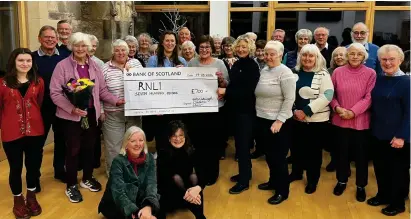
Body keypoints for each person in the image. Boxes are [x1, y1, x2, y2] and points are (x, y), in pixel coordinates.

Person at [50, 32, 125, 203]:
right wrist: (72, 108)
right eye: (77, 45)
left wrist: (116, 101)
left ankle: (87, 178)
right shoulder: (62, 66)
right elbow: (55, 93)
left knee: (89, 148)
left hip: (91, 113)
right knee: (73, 150)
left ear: (89, 47)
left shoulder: (95, 66)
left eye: (84, 45)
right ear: (71, 46)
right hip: (70, 117)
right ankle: (71, 185)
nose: (80, 49)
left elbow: (102, 91)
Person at [1, 48, 44, 219]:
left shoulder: (38, 81)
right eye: (21, 60)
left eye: (28, 60)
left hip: (35, 131)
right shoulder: (2, 83)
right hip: (11, 133)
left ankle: (31, 197)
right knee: (16, 168)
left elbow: (38, 103)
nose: (25, 64)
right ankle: (18, 199)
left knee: (33, 167)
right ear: (13, 62)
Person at [330, 43, 376, 202]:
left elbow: (369, 97)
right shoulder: (337, 72)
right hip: (340, 120)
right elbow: (331, 94)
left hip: (361, 123)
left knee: (361, 157)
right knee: (341, 154)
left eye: (359, 54)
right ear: (347, 55)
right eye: (352, 53)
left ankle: (361, 185)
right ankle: (341, 181)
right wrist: (337, 108)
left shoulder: (371, 73)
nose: (355, 56)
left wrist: (353, 112)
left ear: (364, 57)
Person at [368, 45, 410, 216]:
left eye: (392, 59)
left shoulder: (407, 83)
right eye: (384, 59)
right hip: (378, 133)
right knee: (380, 167)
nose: (387, 62)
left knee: (397, 171)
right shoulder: (377, 79)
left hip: (398, 136)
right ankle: (383, 195)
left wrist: (402, 136)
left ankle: (398, 203)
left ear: (400, 60)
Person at [289, 44, 334, 195]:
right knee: (296, 149)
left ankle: (312, 180)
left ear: (317, 58)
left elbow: (327, 95)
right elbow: (288, 94)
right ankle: (296, 173)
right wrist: (295, 110)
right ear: (300, 57)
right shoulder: (293, 72)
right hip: (295, 119)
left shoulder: (323, 74)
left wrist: (306, 111)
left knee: (313, 153)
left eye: (311, 56)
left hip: (317, 121)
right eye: (304, 55)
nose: (307, 58)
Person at [217, 35, 259, 194]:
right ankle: (244, 174)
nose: (241, 49)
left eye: (244, 47)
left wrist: (226, 91)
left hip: (246, 112)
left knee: (242, 146)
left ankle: (244, 182)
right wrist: (224, 84)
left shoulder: (252, 66)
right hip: (236, 111)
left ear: (250, 48)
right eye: (239, 46)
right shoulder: (238, 63)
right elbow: (235, 85)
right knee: (240, 145)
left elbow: (248, 91)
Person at [255, 41, 296, 204]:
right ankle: (273, 182)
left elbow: (289, 99)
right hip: (263, 119)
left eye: (272, 54)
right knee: (269, 156)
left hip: (279, 122)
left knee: (279, 158)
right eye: (266, 54)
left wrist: (279, 121)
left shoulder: (285, 72)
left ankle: (282, 190)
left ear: (280, 54)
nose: (268, 57)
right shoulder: (264, 70)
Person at [32, 25, 70, 192]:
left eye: (53, 37)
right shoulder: (31, 58)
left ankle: (59, 171)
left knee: (62, 141)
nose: (50, 40)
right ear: (39, 39)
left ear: (57, 39)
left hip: (61, 106)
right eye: (46, 37)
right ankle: (34, 178)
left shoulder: (64, 57)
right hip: (40, 108)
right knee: (37, 144)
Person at [188, 35, 229, 186]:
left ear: (212, 48)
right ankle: (199, 173)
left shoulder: (219, 63)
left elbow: (226, 85)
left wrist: (221, 81)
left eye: (207, 47)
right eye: (201, 47)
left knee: (212, 143)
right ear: (197, 49)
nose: (204, 50)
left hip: (215, 110)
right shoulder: (191, 63)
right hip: (196, 110)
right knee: (198, 143)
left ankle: (212, 174)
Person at [101, 39, 143, 176]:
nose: (120, 52)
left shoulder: (135, 63)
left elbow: (145, 84)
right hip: (113, 114)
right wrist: (102, 110)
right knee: (114, 146)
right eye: (117, 50)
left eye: (123, 49)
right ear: (112, 52)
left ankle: (134, 172)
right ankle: (115, 175)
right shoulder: (105, 68)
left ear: (128, 51)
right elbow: (100, 91)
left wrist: (132, 74)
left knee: (135, 144)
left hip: (134, 113)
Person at [98, 126, 159, 219]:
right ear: (126, 144)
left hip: (139, 199)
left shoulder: (150, 158)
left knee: (159, 211)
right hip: (118, 202)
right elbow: (118, 192)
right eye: (133, 141)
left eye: (141, 140)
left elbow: (151, 184)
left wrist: (148, 206)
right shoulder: (118, 161)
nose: (137, 144)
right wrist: (135, 212)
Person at [147, 31, 187, 153]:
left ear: (176, 43)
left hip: (177, 106)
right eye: (167, 40)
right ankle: (162, 168)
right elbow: (149, 82)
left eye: (172, 41)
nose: (170, 43)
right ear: (162, 43)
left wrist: (184, 72)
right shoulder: (153, 60)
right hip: (160, 107)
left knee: (176, 136)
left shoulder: (182, 61)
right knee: (162, 138)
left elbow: (186, 85)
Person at [157, 121, 206, 219]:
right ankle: (192, 200)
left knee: (194, 177)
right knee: (176, 177)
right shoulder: (163, 152)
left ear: (185, 136)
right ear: (169, 137)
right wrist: (188, 194)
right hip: (168, 192)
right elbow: (164, 180)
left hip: (186, 190)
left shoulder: (191, 149)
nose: (178, 139)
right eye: (174, 136)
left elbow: (203, 172)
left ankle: (200, 215)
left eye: (181, 135)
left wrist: (198, 188)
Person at [323, 46, 348, 173]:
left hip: (348, 111)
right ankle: (334, 160)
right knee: (334, 139)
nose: (339, 57)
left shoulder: (351, 71)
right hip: (332, 110)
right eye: (336, 55)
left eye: (341, 55)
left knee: (346, 141)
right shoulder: (329, 71)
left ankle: (345, 165)